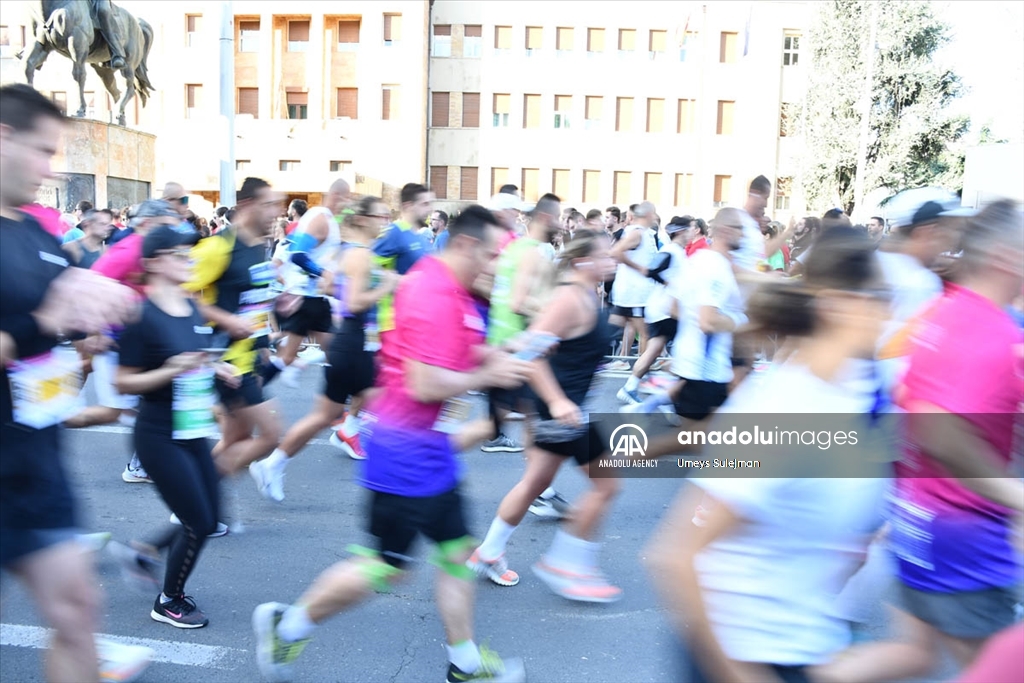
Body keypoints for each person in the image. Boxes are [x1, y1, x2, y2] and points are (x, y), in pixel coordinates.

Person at [252, 205, 531, 683]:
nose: (494, 265)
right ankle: (289, 625)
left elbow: (461, 350)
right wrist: (488, 372)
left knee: (450, 553)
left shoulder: (452, 288)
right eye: (489, 254)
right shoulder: (432, 291)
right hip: (406, 454)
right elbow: (424, 383)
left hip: (426, 451)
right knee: (387, 567)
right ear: (464, 245)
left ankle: (464, 663)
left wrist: (500, 355)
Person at [644, 227, 892, 683]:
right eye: (881, 296)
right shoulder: (781, 408)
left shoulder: (858, 389)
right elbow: (676, 555)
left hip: (813, 645)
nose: (891, 310)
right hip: (744, 653)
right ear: (839, 305)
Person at [824, 201, 1024, 682]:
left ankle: (788, 673)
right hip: (964, 539)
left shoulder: (942, 311)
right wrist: (1013, 495)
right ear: (1005, 256)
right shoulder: (990, 332)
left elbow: (910, 399)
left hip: (918, 522)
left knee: (915, 655)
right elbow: (935, 423)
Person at [1, 82, 147, 683]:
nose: (49, 168)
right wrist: (48, 321)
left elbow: (52, 334)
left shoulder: (36, 234)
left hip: (34, 465)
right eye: (41, 150)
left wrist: (91, 326)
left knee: (79, 611)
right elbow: (35, 324)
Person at [470, 230, 623, 601]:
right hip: (563, 410)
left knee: (535, 482)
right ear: (582, 261)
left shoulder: (587, 294)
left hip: (568, 407)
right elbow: (532, 353)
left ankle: (489, 551)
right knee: (607, 486)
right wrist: (557, 401)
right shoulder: (569, 297)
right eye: (604, 254)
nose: (612, 259)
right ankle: (567, 564)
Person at [112, 224, 239, 629]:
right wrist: (167, 371)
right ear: (153, 263)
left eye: (190, 253)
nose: (189, 260)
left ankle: (145, 552)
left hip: (191, 428)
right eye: (180, 254)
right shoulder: (140, 315)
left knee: (212, 516)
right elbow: (122, 381)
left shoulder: (190, 305)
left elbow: (194, 357)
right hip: (156, 433)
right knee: (198, 521)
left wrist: (216, 366)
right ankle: (169, 600)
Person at [252, 197, 398, 497]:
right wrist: (385, 286)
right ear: (363, 218)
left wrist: (379, 279)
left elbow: (327, 285)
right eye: (381, 216)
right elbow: (356, 301)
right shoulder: (359, 255)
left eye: (387, 216)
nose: (385, 222)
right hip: (355, 340)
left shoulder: (348, 253)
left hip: (348, 338)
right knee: (392, 400)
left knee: (324, 415)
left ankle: (273, 464)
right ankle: (397, 479)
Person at [185, 177, 283, 505]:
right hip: (227, 360)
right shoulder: (218, 247)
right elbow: (177, 292)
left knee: (237, 437)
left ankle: (194, 505)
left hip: (250, 356)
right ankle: (195, 502)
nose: (276, 212)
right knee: (270, 436)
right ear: (246, 205)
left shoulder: (259, 244)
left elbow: (253, 298)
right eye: (269, 205)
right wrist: (227, 320)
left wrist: (267, 335)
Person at [484, 193, 563, 455]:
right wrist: (551, 312)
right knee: (534, 413)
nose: (561, 223)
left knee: (524, 414)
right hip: (517, 342)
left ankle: (536, 485)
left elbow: (495, 282)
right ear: (545, 218)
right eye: (558, 218)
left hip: (503, 338)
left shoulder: (514, 247)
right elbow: (518, 303)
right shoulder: (529, 253)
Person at [272, 179, 350, 387]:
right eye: (346, 199)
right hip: (305, 298)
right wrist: (323, 272)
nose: (348, 205)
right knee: (288, 357)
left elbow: (293, 249)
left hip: (315, 297)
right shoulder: (321, 219)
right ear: (336, 196)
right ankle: (253, 385)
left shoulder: (322, 218)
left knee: (336, 355)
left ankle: (343, 404)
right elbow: (298, 255)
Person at [617, 217, 693, 404]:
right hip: (667, 309)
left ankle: (631, 387)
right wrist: (667, 283)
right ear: (681, 231)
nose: (693, 232)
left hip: (663, 309)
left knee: (654, 351)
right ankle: (665, 393)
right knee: (685, 350)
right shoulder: (671, 251)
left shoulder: (677, 251)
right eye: (690, 229)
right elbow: (652, 270)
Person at [372, 182, 433, 344]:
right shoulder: (393, 232)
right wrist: (400, 281)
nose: (430, 209)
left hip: (417, 321)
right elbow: (368, 267)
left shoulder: (421, 237)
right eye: (425, 204)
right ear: (408, 206)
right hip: (393, 323)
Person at [608, 200, 659, 369]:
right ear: (649, 215)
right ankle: (640, 372)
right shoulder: (636, 233)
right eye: (654, 213)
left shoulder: (644, 233)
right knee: (645, 334)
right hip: (634, 294)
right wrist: (639, 268)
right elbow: (615, 252)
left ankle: (621, 361)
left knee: (617, 327)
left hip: (631, 292)